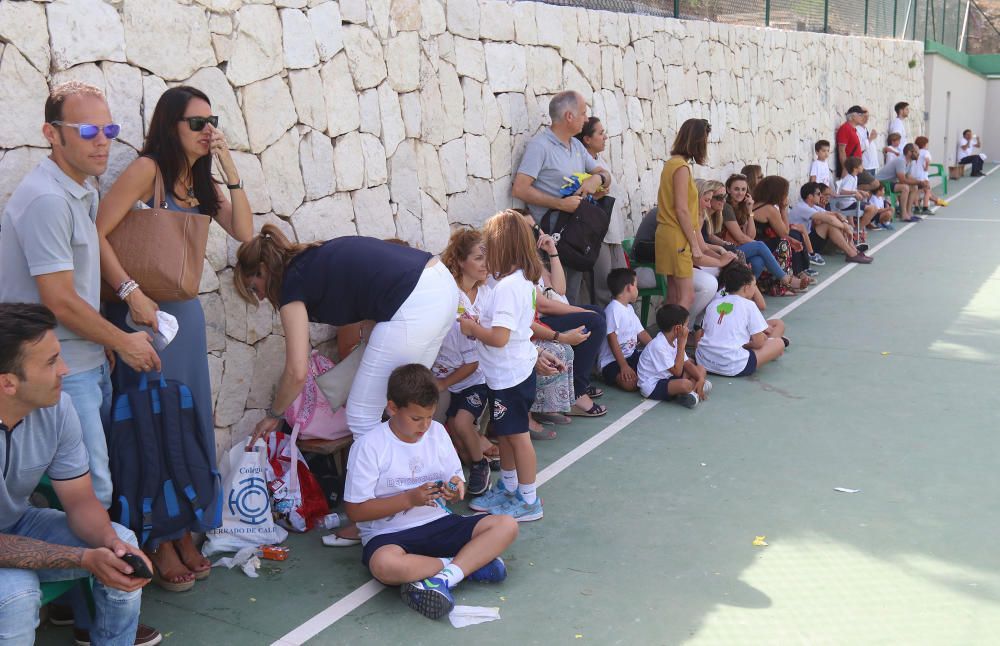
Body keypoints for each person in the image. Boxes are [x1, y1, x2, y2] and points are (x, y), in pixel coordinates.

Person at [0, 81, 162, 641]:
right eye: (88, 131)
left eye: (110, 131)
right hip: (51, 368)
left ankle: (82, 605)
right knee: (91, 488)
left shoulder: (78, 187)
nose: (103, 143)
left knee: (83, 493)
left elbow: (85, 264)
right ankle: (95, 615)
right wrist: (120, 341)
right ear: (51, 134)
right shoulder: (48, 198)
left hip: (74, 360)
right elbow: (60, 299)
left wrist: (124, 296)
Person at [96, 86, 249, 590]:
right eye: (196, 123)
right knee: (148, 423)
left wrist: (229, 166)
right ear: (170, 126)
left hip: (183, 317)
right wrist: (130, 292)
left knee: (187, 422)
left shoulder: (201, 183)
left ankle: (184, 530)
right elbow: (96, 231)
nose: (208, 130)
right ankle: (157, 538)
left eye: (213, 121)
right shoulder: (148, 171)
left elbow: (245, 233)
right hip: (142, 316)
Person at [0, 303, 156, 646]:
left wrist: (109, 543)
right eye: (52, 362)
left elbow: (80, 499)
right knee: (17, 595)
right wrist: (85, 558)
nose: (66, 370)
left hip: (17, 523)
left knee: (124, 550)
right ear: (9, 383)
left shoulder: (57, 407)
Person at [235, 226, 457, 444]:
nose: (261, 297)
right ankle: (415, 475)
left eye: (254, 288)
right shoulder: (312, 258)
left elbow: (297, 372)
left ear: (263, 269)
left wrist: (274, 414)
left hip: (415, 301)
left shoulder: (292, 283)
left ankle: (375, 481)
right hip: (442, 285)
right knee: (405, 407)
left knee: (361, 416)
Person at [342, 364, 518, 621]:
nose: (425, 425)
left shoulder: (436, 433)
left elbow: (454, 478)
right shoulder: (369, 446)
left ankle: (442, 578)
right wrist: (408, 499)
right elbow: (356, 511)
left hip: (439, 522)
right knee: (384, 566)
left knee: (507, 524)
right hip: (390, 534)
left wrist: (455, 487)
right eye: (416, 418)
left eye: (430, 416)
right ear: (392, 408)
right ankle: (466, 565)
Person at [460, 210, 545, 522]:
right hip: (507, 374)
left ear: (501, 246)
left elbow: (499, 338)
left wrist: (472, 329)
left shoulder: (509, 287)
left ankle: (528, 499)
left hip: (509, 374)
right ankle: (510, 489)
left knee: (517, 436)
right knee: (506, 434)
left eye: (489, 246)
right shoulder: (519, 281)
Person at [512, 92, 612, 304]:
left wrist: (597, 179)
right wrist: (560, 204)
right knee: (557, 299)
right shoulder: (540, 146)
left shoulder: (576, 146)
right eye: (583, 114)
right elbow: (520, 189)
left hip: (576, 236)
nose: (586, 119)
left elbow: (606, 175)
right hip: (550, 240)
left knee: (572, 297)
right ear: (569, 116)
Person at [432, 229, 491, 496]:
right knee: (453, 433)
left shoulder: (487, 294)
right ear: (459, 261)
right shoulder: (447, 295)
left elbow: (474, 363)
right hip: (447, 376)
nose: (486, 264)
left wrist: (443, 383)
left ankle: (481, 466)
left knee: (461, 423)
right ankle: (475, 456)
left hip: (473, 379)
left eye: (487, 257)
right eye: (479, 258)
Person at [656, 118, 711, 312]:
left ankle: (668, 339)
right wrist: (695, 245)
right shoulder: (681, 167)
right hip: (677, 237)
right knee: (686, 297)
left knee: (672, 295)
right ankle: (676, 340)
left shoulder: (671, 164)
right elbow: (681, 209)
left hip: (666, 234)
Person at [696, 264, 786, 378]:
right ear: (746, 288)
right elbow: (758, 343)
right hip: (732, 365)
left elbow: (702, 333)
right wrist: (745, 345)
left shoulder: (713, 304)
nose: (755, 288)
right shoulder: (749, 305)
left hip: (704, 362)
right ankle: (771, 350)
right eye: (754, 285)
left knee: (765, 335)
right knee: (779, 343)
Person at [575, 117, 628, 308]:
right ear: (587, 139)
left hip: (613, 232)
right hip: (598, 234)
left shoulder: (600, 162)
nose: (605, 137)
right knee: (603, 288)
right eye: (600, 133)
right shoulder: (581, 165)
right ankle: (606, 334)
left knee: (622, 284)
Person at [636, 304, 709, 408]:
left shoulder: (674, 340)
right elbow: (677, 371)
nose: (688, 329)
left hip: (668, 376)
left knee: (701, 369)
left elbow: (687, 363)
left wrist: (700, 379)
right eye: (686, 325)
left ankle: (689, 392)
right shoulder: (658, 345)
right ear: (678, 328)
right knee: (686, 384)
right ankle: (691, 390)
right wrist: (682, 344)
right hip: (653, 385)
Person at [751, 176, 813, 288]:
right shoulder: (769, 209)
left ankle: (796, 273)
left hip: (759, 242)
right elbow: (785, 232)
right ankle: (785, 282)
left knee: (793, 236)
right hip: (764, 246)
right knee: (785, 242)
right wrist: (783, 208)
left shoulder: (756, 204)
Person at [599, 268, 653, 392]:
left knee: (658, 365)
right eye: (636, 286)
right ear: (629, 287)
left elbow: (642, 333)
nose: (637, 290)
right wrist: (624, 366)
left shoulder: (629, 308)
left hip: (631, 355)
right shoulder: (613, 309)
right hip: (612, 361)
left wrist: (658, 349)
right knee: (631, 384)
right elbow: (611, 338)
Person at [792, 182, 872, 264]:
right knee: (830, 225)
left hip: (808, 238)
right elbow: (829, 220)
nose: (821, 196)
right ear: (810, 196)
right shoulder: (802, 207)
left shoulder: (812, 206)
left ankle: (853, 250)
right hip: (801, 243)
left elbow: (834, 214)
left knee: (836, 223)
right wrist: (845, 227)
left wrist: (844, 222)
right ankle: (852, 253)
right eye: (818, 194)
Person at [833, 157, 877, 250]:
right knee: (872, 209)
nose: (863, 167)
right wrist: (855, 193)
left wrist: (860, 191)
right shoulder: (849, 178)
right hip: (847, 204)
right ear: (855, 168)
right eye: (861, 165)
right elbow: (843, 191)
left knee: (872, 208)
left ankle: (856, 230)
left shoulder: (854, 177)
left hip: (851, 202)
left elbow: (852, 189)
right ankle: (858, 230)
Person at [876, 143, 926, 222]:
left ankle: (909, 212)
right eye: (916, 152)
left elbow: (908, 176)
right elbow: (902, 180)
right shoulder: (901, 161)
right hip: (882, 183)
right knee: (905, 187)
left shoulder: (909, 161)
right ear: (909, 152)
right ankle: (903, 214)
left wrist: (921, 182)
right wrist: (919, 182)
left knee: (914, 187)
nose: (918, 155)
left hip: (891, 183)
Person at [911, 136, 947, 214]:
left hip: (914, 174)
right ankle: (925, 207)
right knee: (927, 190)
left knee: (917, 191)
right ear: (924, 144)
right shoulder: (925, 152)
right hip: (922, 175)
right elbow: (927, 159)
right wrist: (926, 167)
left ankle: (916, 207)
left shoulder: (915, 151)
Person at [836, 106, 866, 177]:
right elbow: (841, 150)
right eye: (860, 115)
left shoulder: (853, 129)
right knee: (875, 184)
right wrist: (846, 169)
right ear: (852, 116)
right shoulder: (845, 128)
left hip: (856, 167)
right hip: (851, 168)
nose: (862, 117)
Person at [858, 110, 881, 175]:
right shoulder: (857, 130)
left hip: (871, 164)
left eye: (868, 116)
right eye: (865, 116)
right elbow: (860, 148)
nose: (867, 118)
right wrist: (871, 138)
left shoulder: (865, 129)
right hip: (866, 165)